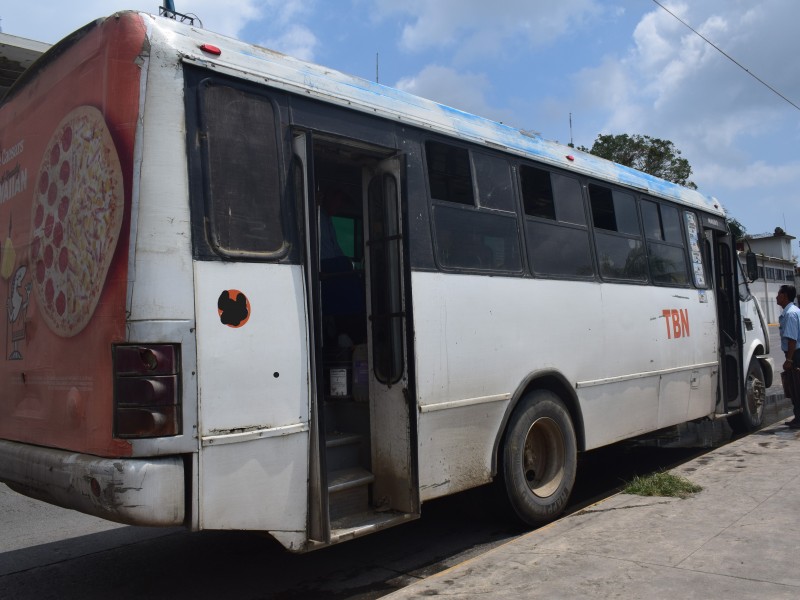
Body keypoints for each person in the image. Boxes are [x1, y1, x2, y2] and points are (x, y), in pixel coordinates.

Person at [777, 284, 800, 428]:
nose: (776, 297)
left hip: (795, 355)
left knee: (796, 388)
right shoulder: (795, 310)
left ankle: (799, 419)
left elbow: (792, 339)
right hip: (796, 354)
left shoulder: (790, 314)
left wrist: (789, 359)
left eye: (779, 294)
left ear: (784, 296)